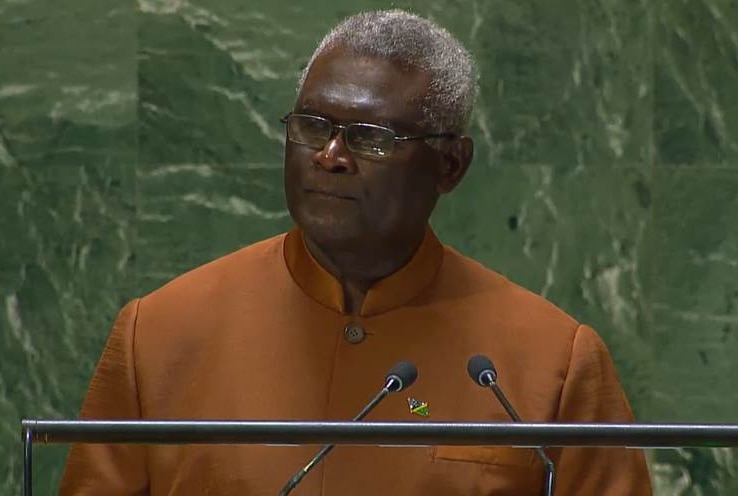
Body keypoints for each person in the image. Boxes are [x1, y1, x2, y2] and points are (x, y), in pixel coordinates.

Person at [61, 9, 652, 496]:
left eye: (372, 138)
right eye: (314, 125)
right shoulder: (158, 336)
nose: (330, 155)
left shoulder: (551, 361)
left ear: (451, 164)